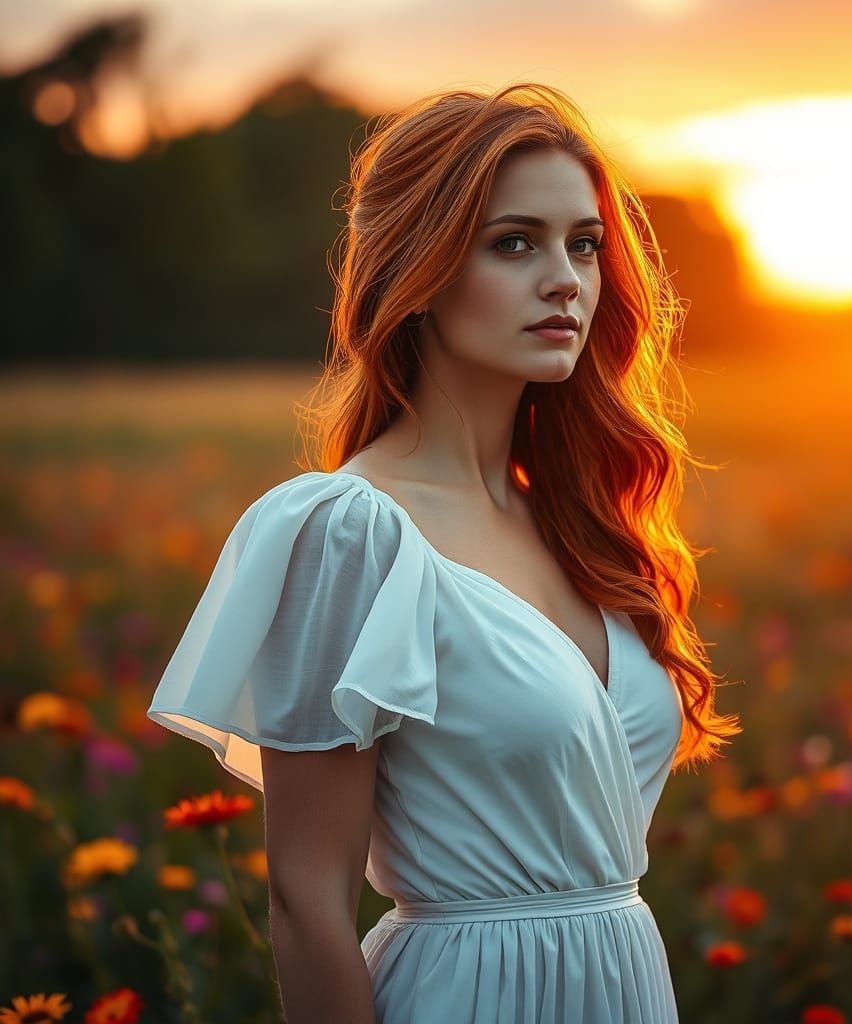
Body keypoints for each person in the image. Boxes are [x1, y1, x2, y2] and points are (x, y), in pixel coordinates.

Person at [147, 81, 742, 1024]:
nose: (566, 280)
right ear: (417, 271)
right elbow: (307, 903)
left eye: (584, 244)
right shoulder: (350, 534)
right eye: (515, 243)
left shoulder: (579, 523)